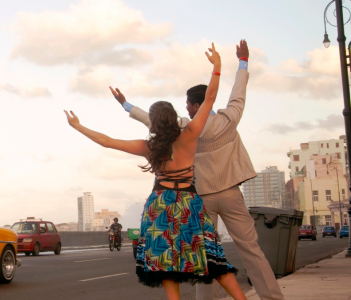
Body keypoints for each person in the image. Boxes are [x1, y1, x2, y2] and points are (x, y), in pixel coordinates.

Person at [65, 43, 246, 300]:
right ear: (173, 117)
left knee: (165, 265)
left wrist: (78, 126)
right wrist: (217, 66)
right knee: (211, 257)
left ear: (155, 122)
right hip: (189, 203)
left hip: (159, 206)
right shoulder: (190, 135)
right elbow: (210, 98)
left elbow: (106, 141)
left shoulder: (149, 147)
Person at [112, 40, 283, 300]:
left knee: (202, 256)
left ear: (194, 106)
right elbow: (239, 92)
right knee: (252, 250)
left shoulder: (185, 129)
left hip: (200, 198)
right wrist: (243, 62)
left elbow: (155, 120)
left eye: (188, 105)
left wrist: (126, 106)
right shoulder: (229, 118)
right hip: (231, 194)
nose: (187, 109)